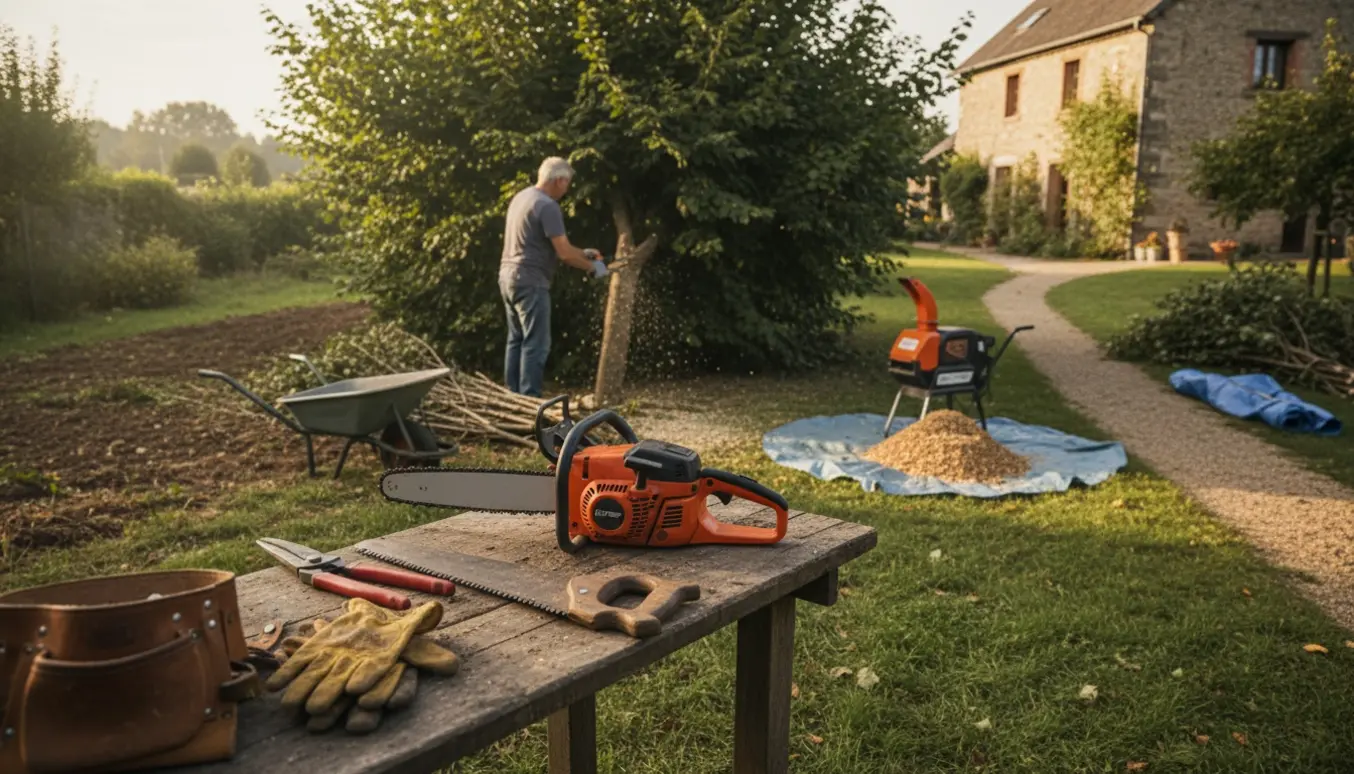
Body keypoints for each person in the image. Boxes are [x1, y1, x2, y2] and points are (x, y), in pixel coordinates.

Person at [498, 157, 609, 397]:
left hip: (508, 277)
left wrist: (586, 253)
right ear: (559, 180)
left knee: (516, 339)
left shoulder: (522, 198)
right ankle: (529, 402)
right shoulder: (548, 206)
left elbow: (559, 246)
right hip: (531, 281)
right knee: (536, 345)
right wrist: (594, 269)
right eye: (567, 183)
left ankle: (512, 397)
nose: (567, 189)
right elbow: (564, 254)